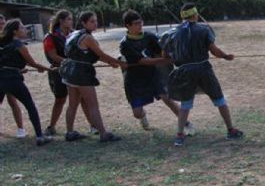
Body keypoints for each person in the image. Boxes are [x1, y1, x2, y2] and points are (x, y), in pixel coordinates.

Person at [162, 3, 243, 147]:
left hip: (183, 71)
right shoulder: (204, 30)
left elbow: (165, 55)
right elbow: (214, 50)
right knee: (219, 100)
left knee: (185, 104)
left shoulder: (171, 33)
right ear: (195, 15)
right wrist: (226, 56)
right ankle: (231, 130)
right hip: (203, 70)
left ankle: (180, 135)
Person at [119, 10, 195, 133]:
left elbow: (163, 49)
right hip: (134, 80)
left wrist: (173, 54)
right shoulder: (125, 44)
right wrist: (165, 61)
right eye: (136, 23)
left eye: (141, 22)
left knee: (167, 97)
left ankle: (186, 124)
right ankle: (143, 117)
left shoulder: (149, 37)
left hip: (152, 75)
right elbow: (143, 61)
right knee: (137, 113)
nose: (140, 25)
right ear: (127, 26)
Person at [59, 11, 125, 142]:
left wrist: (111, 63)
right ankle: (103, 133)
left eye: (96, 21)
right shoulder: (87, 38)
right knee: (92, 105)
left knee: (72, 104)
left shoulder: (73, 34)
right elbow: (101, 55)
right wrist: (120, 63)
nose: (95, 24)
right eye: (92, 21)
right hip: (82, 74)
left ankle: (70, 132)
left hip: (70, 72)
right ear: (83, 23)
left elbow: (96, 55)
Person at [41, 10, 94, 136]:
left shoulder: (73, 35)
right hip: (58, 71)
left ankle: (93, 125)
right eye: (69, 19)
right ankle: (51, 126)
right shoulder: (50, 37)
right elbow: (53, 56)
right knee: (60, 99)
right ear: (61, 21)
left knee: (82, 99)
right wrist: (70, 62)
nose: (72, 21)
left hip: (74, 71)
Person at [0, 19, 52, 146]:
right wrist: (48, 69)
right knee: (30, 106)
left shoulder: (2, 44)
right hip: (12, 80)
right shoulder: (18, 44)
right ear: (15, 31)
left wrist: (19, 69)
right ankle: (40, 136)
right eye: (22, 27)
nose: (25, 29)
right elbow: (32, 63)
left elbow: (8, 63)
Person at [0, 14, 26, 138]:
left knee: (13, 101)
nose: (1, 26)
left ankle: (20, 128)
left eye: (3, 23)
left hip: (10, 77)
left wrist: (19, 70)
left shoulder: (10, 41)